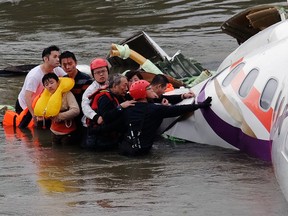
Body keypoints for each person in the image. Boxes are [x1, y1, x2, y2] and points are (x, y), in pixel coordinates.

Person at [119, 80, 212, 156]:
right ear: (143, 93)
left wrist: (182, 96)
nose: (152, 90)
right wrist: (200, 106)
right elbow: (178, 109)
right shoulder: (154, 109)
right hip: (141, 152)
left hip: (125, 149)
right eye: (149, 89)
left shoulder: (127, 107)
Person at [15, 45, 66, 128]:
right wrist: (33, 115)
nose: (58, 59)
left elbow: (68, 79)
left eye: (59, 57)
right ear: (46, 59)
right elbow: (28, 97)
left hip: (42, 102)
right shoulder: (34, 75)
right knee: (29, 129)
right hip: (26, 106)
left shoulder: (57, 70)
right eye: (55, 57)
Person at [84, 74, 136, 150]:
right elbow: (105, 118)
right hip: (99, 140)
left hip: (111, 137)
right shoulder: (105, 98)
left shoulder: (122, 96)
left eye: (127, 86)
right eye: (124, 86)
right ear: (115, 86)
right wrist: (120, 107)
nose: (126, 88)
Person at [59, 51, 93, 144]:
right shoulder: (62, 80)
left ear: (76, 63)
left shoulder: (86, 79)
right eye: (64, 64)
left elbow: (88, 101)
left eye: (70, 63)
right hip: (68, 115)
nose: (67, 67)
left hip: (82, 115)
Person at [39, 73, 80, 146]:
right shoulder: (46, 96)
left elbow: (76, 110)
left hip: (67, 131)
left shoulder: (67, 94)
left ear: (57, 82)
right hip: (53, 131)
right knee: (55, 154)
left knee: (66, 154)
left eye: (52, 83)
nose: (50, 86)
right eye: (46, 84)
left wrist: (59, 116)